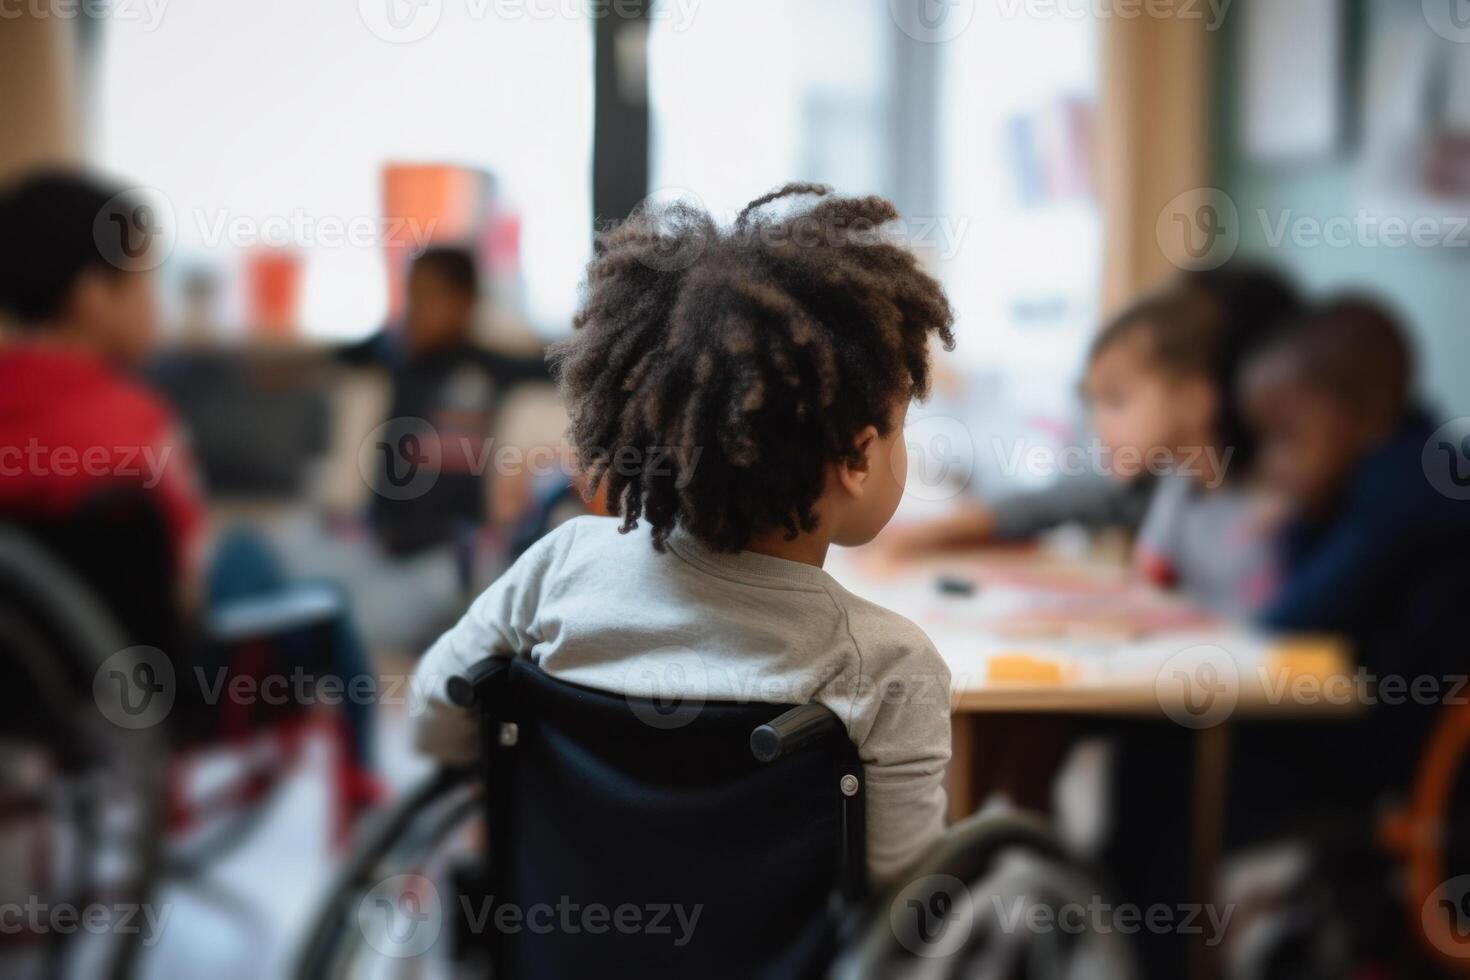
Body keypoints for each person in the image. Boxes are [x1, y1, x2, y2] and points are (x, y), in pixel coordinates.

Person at [412, 184, 957, 884]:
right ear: (856, 459)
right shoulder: (888, 666)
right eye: (900, 428)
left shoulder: (558, 568)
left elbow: (437, 713)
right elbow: (899, 893)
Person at [0, 170, 379, 785]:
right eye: (145, 282)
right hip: (158, 694)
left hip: (23, 696)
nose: (158, 304)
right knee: (267, 562)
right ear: (93, 294)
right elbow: (185, 584)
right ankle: (367, 788)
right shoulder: (135, 424)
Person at [876, 265, 1303, 621]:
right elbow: (1148, 588)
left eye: (1116, 399)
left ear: (1198, 397)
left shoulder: (1272, 506)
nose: (1097, 422)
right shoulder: (1175, 487)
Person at [1231, 297, 1470, 825]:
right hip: (1399, 728)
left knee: (1195, 737)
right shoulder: (1412, 465)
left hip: (1415, 758)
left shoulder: (1404, 494)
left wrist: (1297, 514)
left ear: (1365, 417)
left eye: (1287, 437)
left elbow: (1290, 619)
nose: (1271, 461)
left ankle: (1148, 904)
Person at [359, 246, 551, 556]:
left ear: (465, 301)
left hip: (451, 550)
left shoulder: (487, 368)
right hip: (382, 540)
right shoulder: (396, 360)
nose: (414, 311)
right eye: (411, 296)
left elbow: (557, 368)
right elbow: (342, 358)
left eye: (427, 297)